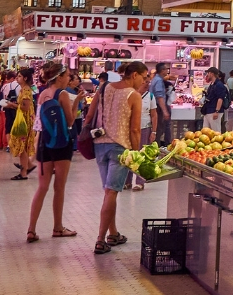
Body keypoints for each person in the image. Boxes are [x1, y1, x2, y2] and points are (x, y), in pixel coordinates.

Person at [85, 62, 147, 254]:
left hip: (100, 145)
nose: (145, 81)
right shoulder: (134, 95)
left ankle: (113, 233)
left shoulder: (104, 88)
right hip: (120, 148)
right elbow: (135, 129)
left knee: (108, 193)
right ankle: (100, 239)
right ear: (134, 75)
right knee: (111, 193)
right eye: (144, 77)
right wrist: (136, 153)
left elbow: (89, 115)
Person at [25, 63, 85, 243]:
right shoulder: (63, 94)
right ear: (59, 77)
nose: (68, 79)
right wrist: (77, 103)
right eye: (67, 75)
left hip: (45, 143)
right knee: (59, 188)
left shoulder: (42, 94)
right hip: (62, 144)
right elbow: (70, 121)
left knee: (42, 187)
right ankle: (58, 228)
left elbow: (40, 120)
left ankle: (31, 229)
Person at [125, 77, 157, 191]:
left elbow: (153, 114)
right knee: (129, 154)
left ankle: (140, 182)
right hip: (130, 129)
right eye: (145, 82)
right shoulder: (130, 94)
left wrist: (153, 131)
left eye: (149, 82)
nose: (147, 84)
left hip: (144, 129)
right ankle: (127, 181)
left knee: (142, 155)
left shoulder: (150, 96)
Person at [9, 68, 37, 180]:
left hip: (24, 121)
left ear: (25, 78)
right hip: (23, 120)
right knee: (22, 145)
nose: (17, 78)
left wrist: (12, 105)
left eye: (19, 76)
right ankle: (28, 166)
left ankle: (24, 172)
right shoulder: (23, 89)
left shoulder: (25, 91)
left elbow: (25, 107)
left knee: (21, 145)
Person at [150, 63, 171, 146]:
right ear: (162, 71)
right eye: (166, 69)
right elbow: (159, 97)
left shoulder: (156, 79)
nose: (167, 71)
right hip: (158, 108)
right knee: (159, 129)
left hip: (155, 106)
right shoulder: (158, 80)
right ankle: (156, 148)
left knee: (158, 128)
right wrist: (165, 111)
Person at [202, 67, 227, 131]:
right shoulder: (212, 84)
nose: (207, 75)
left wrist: (217, 111)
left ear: (212, 74)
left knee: (216, 132)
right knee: (205, 132)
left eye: (208, 73)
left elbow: (220, 99)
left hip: (214, 112)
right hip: (208, 111)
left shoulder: (219, 85)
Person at [0, 71, 15, 150]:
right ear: (12, 78)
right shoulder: (11, 86)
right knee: (6, 126)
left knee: (0, 125)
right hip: (7, 107)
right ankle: (5, 143)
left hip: (0, 106)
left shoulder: (2, 85)